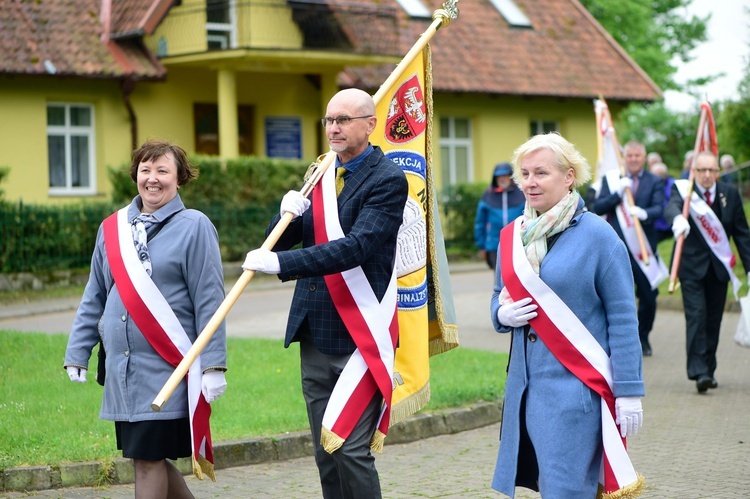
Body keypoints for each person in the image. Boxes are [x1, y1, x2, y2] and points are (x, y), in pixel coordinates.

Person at [242, 88, 408, 499]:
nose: (333, 127)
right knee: (324, 450)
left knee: (349, 449)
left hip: (357, 331)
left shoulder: (387, 179)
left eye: (343, 120)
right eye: (329, 120)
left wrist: (282, 265)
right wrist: (284, 216)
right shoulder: (321, 172)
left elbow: (356, 248)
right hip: (314, 328)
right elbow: (281, 242)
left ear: (370, 125)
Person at [64, 139, 228, 497]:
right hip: (122, 373)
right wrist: (78, 351)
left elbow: (210, 301)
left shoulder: (194, 226)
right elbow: (95, 293)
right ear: (136, 175)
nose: (152, 179)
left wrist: (213, 364)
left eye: (162, 171)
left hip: (167, 367)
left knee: (149, 459)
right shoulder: (112, 229)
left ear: (179, 178)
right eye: (145, 170)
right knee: (145, 457)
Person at [490, 133, 644, 498]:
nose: (529, 182)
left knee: (567, 491)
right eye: (524, 173)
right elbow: (498, 294)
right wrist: (501, 313)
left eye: (541, 173)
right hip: (525, 393)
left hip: (576, 392)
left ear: (569, 176)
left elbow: (623, 317)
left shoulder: (598, 236)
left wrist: (629, 390)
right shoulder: (514, 235)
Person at [665, 151, 750, 393]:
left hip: (719, 269)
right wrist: (676, 220)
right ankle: (698, 370)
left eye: (711, 170)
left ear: (718, 172)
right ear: (694, 172)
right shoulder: (684, 191)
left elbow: (741, 233)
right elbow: (671, 207)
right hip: (691, 268)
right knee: (696, 316)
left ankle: (709, 370)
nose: (706, 175)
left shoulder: (729, 194)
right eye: (701, 170)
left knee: (714, 320)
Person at [593, 140, 665, 357]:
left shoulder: (654, 181)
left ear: (644, 157)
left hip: (644, 250)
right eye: (630, 155)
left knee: (649, 297)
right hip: (617, 249)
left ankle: (643, 336)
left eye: (638, 155)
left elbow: (659, 208)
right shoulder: (612, 179)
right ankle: (618, 340)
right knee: (616, 297)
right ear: (625, 158)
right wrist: (618, 194)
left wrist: (644, 213)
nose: (634, 159)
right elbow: (598, 206)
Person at [474, 162, 525, 269]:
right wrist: (482, 245)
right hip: (494, 245)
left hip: (518, 244)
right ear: (495, 178)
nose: (502, 179)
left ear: (511, 176)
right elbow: (480, 223)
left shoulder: (522, 193)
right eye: (499, 176)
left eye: (505, 175)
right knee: (499, 279)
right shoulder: (487, 195)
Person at [650, 161, 675, 243]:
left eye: (659, 174)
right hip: (656, 226)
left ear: (665, 175)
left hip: (671, 223)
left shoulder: (673, 184)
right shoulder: (649, 186)